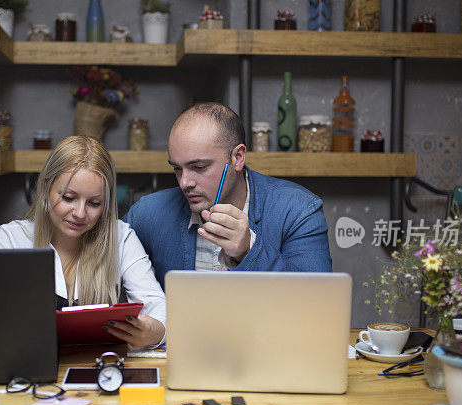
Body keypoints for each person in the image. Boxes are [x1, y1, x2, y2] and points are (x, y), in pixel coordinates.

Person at [124, 102, 332, 286]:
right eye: (177, 168)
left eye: (199, 167)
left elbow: (317, 304)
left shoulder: (297, 210)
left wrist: (249, 250)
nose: (185, 183)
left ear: (238, 158)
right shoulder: (149, 213)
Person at [0, 136, 166, 348]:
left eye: (94, 203)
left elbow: (157, 307)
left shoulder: (121, 237)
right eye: (68, 198)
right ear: (45, 189)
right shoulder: (10, 240)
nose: (80, 213)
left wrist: (155, 331)